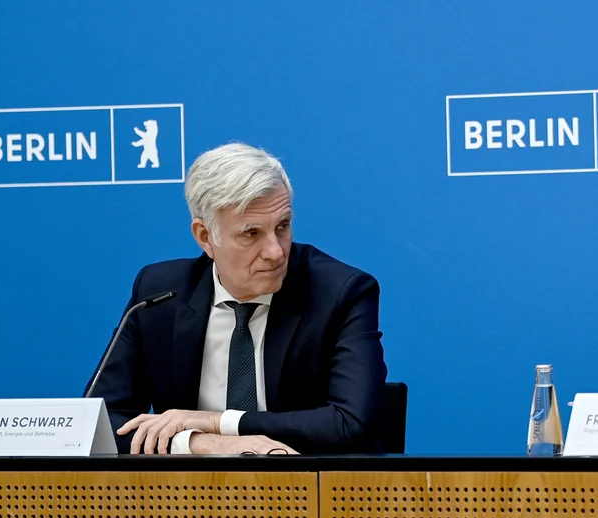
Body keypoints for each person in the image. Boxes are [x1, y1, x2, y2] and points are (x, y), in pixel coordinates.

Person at [85, 142, 389, 455]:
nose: (275, 252)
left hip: (310, 481)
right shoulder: (160, 294)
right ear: (205, 237)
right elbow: (97, 424)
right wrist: (200, 442)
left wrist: (217, 422)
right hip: (190, 486)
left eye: (282, 227)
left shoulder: (340, 292)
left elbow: (351, 424)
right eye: (251, 233)